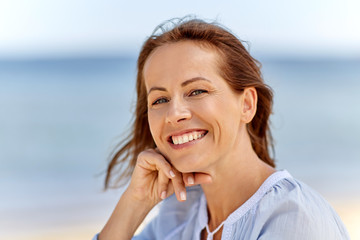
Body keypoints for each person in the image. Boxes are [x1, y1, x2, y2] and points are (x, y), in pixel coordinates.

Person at [94, 17, 350, 240]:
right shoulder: (180, 213)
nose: (174, 114)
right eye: (160, 100)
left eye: (197, 91)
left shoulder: (294, 220)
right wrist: (135, 202)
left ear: (247, 105)